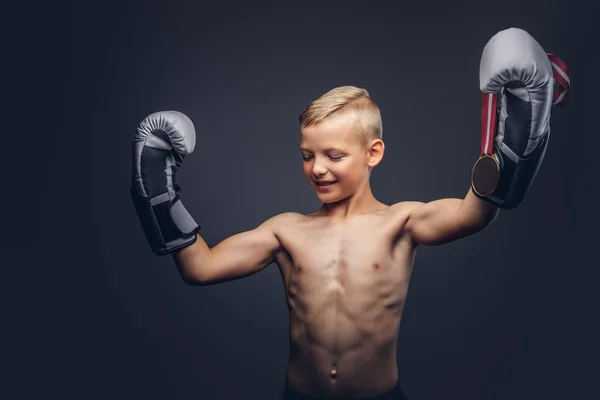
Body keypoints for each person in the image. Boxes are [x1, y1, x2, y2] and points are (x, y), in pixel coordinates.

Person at [130, 28, 568, 400]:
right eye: (307, 155)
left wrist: (520, 126)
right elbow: (199, 267)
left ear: (372, 153)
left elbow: (476, 213)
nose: (317, 168)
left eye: (333, 155)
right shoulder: (286, 231)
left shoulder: (402, 222)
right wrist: (155, 183)